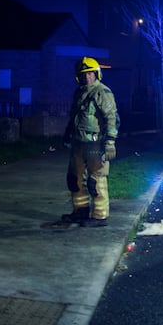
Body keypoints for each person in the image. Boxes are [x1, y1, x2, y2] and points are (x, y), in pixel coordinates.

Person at [61, 57, 119, 227]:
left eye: (90, 74)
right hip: (78, 143)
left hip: (95, 144)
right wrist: (67, 134)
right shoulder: (79, 93)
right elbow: (74, 117)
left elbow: (111, 118)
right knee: (75, 179)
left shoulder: (102, 92)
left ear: (96, 74)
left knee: (96, 181)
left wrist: (110, 142)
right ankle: (80, 211)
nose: (87, 77)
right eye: (83, 74)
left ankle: (100, 216)